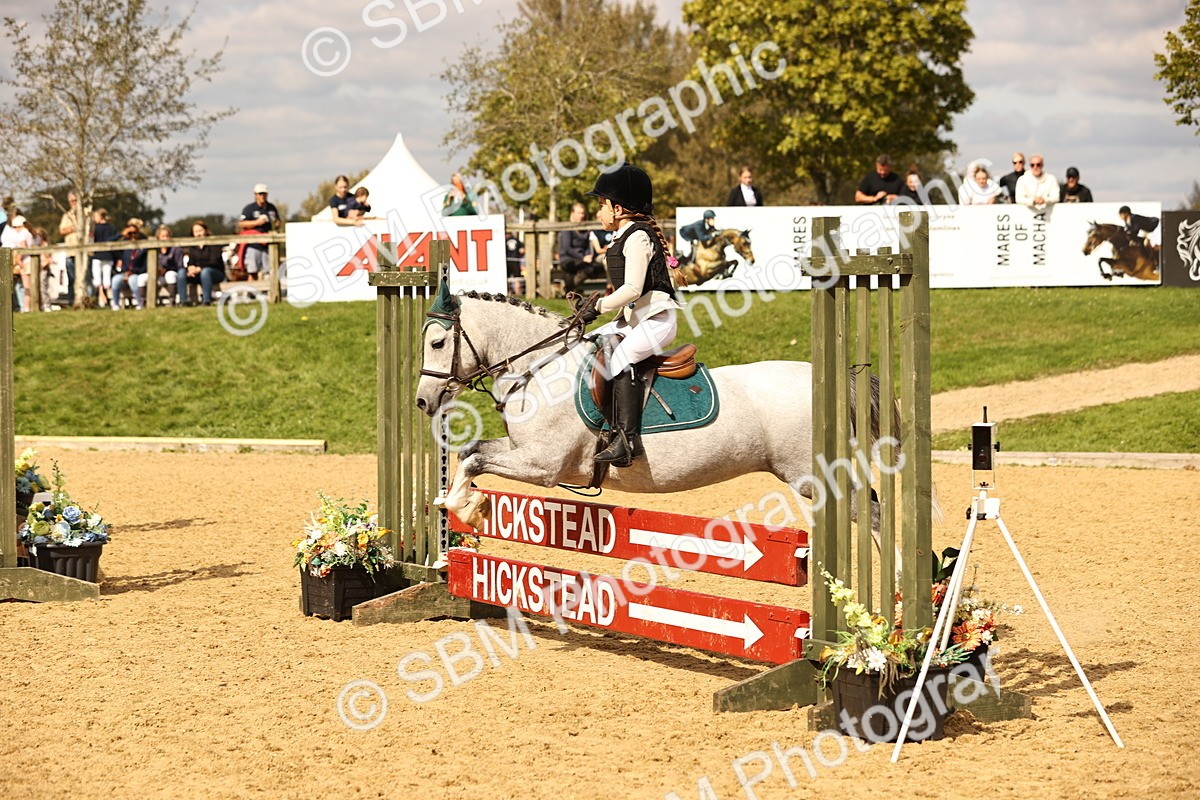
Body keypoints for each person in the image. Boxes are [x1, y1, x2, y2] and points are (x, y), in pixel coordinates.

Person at [577, 164, 682, 467]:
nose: (598, 212)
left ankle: (627, 440)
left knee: (621, 358)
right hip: (638, 320)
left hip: (659, 322)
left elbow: (634, 289)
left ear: (618, 208)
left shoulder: (637, 237)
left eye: (601, 205)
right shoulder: (624, 236)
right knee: (588, 341)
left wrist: (597, 306)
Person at [237, 183, 279, 279]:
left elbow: (277, 221)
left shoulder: (271, 208)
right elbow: (242, 224)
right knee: (253, 271)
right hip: (253, 245)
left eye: (264, 194)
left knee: (270, 272)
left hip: (268, 245)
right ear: (255, 195)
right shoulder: (249, 208)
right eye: (260, 194)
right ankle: (252, 292)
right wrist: (256, 223)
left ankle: (269, 293)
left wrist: (277, 224)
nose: (262, 196)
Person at [181, 220, 226, 306]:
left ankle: (206, 300)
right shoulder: (193, 246)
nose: (198, 234)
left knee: (205, 272)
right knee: (182, 272)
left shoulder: (214, 243)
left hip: (214, 272)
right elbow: (191, 261)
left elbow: (214, 261)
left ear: (205, 230)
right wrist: (191, 268)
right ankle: (184, 301)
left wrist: (200, 268)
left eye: (200, 231)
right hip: (198, 273)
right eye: (195, 232)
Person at [558, 202, 598, 290]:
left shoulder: (584, 229)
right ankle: (569, 289)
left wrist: (588, 255)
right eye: (578, 213)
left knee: (596, 267)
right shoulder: (567, 228)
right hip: (568, 259)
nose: (581, 215)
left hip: (583, 259)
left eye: (583, 213)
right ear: (572, 213)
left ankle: (569, 288)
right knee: (584, 268)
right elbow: (567, 248)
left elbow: (587, 246)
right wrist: (583, 257)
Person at [111, 218, 149, 310]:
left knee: (133, 280)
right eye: (130, 233)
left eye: (134, 233)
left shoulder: (143, 247)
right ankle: (116, 304)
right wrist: (121, 234)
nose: (132, 235)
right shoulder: (125, 246)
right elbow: (110, 243)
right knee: (115, 279)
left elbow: (145, 266)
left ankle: (139, 303)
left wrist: (133, 272)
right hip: (124, 273)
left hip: (137, 273)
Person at [1, 215, 35, 312]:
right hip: (30, 261)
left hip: (24, 262)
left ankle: (26, 308)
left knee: (26, 286)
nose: (15, 229)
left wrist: (18, 260)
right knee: (28, 285)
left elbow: (22, 248)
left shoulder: (22, 234)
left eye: (15, 227)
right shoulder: (29, 233)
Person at [90, 209, 120, 308]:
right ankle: (105, 300)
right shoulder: (112, 228)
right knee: (106, 279)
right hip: (108, 256)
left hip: (98, 256)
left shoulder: (95, 228)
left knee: (98, 279)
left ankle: (102, 299)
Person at [58, 191, 82, 305]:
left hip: (83, 253)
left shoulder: (87, 213)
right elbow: (62, 230)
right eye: (71, 201)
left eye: (75, 200)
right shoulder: (67, 215)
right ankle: (72, 302)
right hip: (70, 252)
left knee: (84, 279)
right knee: (71, 279)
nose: (73, 203)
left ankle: (87, 301)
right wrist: (75, 227)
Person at [154, 225, 185, 305]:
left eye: (167, 236)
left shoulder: (176, 249)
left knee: (170, 275)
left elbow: (179, 265)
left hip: (173, 273)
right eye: (163, 236)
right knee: (149, 279)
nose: (165, 238)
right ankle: (148, 301)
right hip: (159, 275)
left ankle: (172, 300)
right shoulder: (155, 250)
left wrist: (167, 269)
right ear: (158, 238)